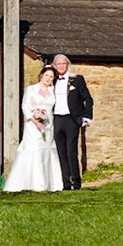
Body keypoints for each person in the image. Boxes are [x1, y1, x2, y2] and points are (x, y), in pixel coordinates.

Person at [4, 67, 64, 192]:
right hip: (33, 126)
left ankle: (52, 183)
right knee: (35, 150)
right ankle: (35, 183)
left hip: (48, 125)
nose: (48, 79)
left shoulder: (52, 90)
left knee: (48, 150)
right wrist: (35, 120)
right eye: (46, 75)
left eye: (51, 77)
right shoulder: (31, 90)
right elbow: (25, 106)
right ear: (41, 75)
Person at [50, 53, 94, 190]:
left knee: (71, 151)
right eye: (58, 64)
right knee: (61, 152)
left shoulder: (77, 80)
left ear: (67, 65)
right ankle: (66, 183)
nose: (61, 66)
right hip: (57, 119)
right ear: (55, 66)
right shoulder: (53, 81)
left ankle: (76, 181)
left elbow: (88, 99)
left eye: (64, 64)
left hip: (72, 119)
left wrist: (86, 117)